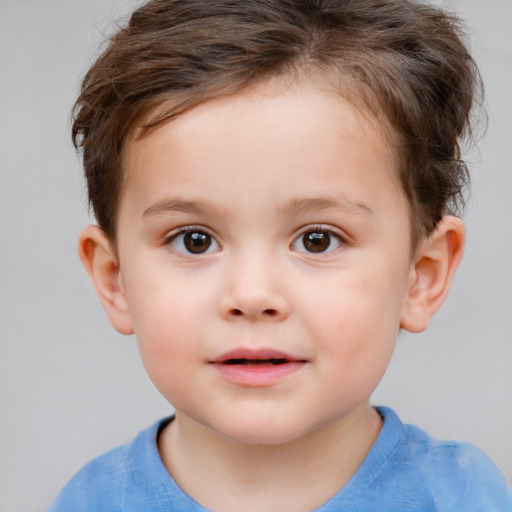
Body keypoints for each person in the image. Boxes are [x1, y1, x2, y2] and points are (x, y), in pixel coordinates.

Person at [48, 0, 511, 510]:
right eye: (194, 239)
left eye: (318, 239)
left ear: (421, 277)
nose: (252, 295)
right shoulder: (87, 502)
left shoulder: (466, 499)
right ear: (115, 280)